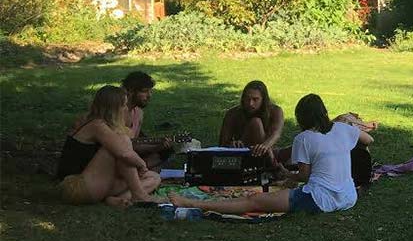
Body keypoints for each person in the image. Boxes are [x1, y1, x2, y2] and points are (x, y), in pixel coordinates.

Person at [170, 93, 373, 216]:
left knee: (254, 201)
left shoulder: (304, 138)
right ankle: (193, 203)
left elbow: (303, 176)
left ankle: (191, 203)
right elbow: (368, 140)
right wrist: (348, 130)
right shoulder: (343, 129)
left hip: (321, 200)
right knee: (262, 198)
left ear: (302, 118)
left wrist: (286, 174)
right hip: (348, 197)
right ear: (324, 112)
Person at [57, 85, 162, 208]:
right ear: (113, 108)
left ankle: (119, 199)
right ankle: (139, 195)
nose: (125, 109)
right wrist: (141, 164)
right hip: (76, 186)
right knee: (122, 143)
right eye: (123, 105)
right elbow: (124, 154)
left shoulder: (105, 125)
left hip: (94, 182)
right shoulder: (96, 125)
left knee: (154, 177)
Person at [218, 80, 287, 166]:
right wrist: (233, 144)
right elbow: (222, 144)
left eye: (255, 99)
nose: (250, 103)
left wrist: (264, 146)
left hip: (270, 152)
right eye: (247, 99)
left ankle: (272, 163)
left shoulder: (275, 111)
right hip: (244, 153)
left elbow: (276, 134)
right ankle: (273, 167)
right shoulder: (233, 113)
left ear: (263, 99)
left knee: (298, 144)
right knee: (255, 123)